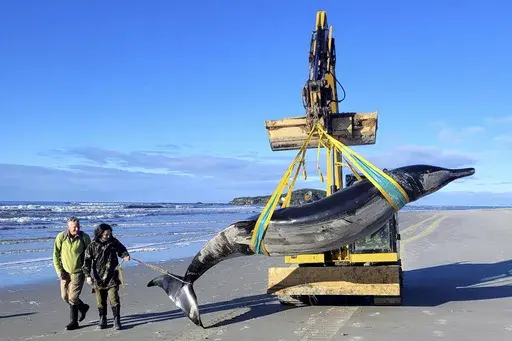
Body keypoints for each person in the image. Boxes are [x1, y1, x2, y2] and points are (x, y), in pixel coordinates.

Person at [82, 223, 130, 330]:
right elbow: (87, 262)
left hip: (112, 276)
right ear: (100, 234)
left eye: (110, 234)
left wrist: (125, 255)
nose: (108, 236)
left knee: (114, 298)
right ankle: (102, 319)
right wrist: (88, 276)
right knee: (100, 301)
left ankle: (117, 320)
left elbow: (121, 249)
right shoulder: (92, 245)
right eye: (106, 234)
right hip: (98, 279)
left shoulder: (113, 242)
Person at [52, 216, 91, 330]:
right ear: (68, 227)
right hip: (64, 272)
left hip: (78, 272)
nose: (77, 229)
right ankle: (82, 307)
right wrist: (59, 271)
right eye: (74, 227)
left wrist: (88, 272)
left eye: (78, 226)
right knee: (64, 296)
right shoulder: (61, 237)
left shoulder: (84, 237)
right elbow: (55, 255)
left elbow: (89, 256)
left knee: (73, 297)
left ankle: (74, 322)